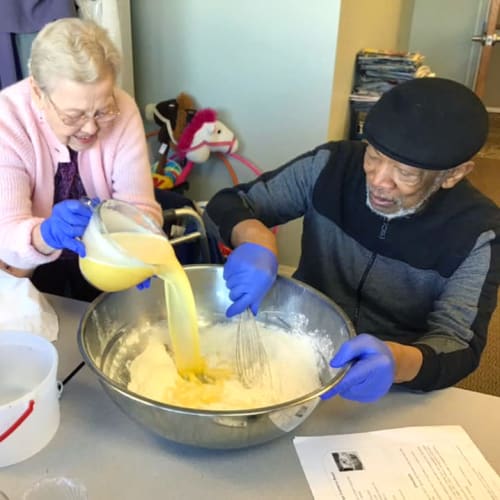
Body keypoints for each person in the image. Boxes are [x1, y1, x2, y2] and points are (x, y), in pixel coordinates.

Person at [204, 77, 500, 403]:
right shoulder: (332, 166)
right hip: (295, 344)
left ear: (453, 174)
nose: (378, 181)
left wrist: (397, 362)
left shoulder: (477, 232)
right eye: (374, 156)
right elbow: (226, 204)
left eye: (406, 173)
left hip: (387, 380)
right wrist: (255, 237)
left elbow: (459, 344)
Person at [0, 18, 162, 301]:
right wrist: (45, 235)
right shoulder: (8, 120)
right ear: (39, 94)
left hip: (102, 254)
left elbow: (140, 206)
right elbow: (7, 233)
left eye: (102, 111)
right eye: (73, 116)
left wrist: (141, 246)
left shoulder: (123, 109)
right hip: (26, 264)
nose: (91, 128)